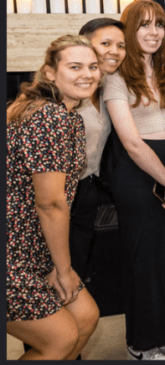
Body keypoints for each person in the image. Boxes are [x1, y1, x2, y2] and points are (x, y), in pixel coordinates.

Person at [103, 0, 165, 360]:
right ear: (130, 29)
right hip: (138, 178)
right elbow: (131, 142)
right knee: (144, 262)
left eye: (159, 25)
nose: (153, 32)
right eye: (144, 25)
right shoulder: (115, 75)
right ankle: (140, 342)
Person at [7, 35, 101, 359]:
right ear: (50, 72)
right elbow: (51, 202)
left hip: (34, 245)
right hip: (12, 252)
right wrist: (64, 270)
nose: (86, 74)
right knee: (59, 340)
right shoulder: (50, 117)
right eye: (74, 66)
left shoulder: (67, 114)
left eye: (92, 66)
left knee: (86, 316)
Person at [69, 18, 126, 281]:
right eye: (106, 43)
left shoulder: (107, 88)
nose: (115, 51)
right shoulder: (65, 92)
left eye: (121, 45)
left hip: (87, 191)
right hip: (57, 195)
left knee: (76, 269)